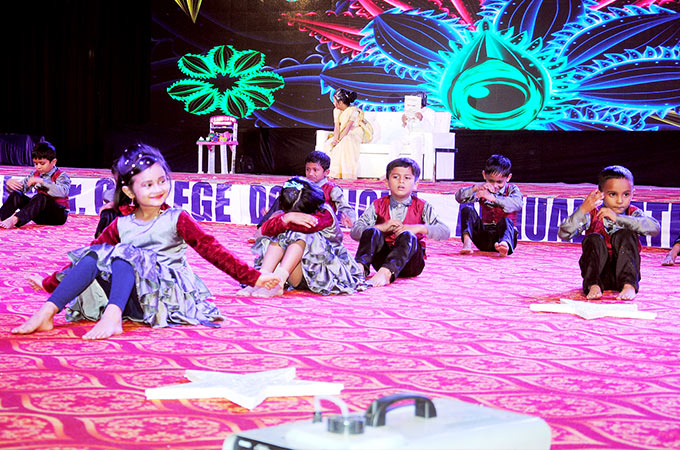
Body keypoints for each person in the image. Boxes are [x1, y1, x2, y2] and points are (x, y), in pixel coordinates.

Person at [12, 144, 280, 340]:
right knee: (97, 254)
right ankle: (47, 313)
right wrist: (49, 283)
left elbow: (214, 251)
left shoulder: (177, 218)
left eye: (162, 181)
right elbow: (87, 259)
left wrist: (254, 278)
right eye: (148, 185)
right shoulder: (122, 223)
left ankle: (113, 316)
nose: (158, 189)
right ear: (129, 191)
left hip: (165, 298)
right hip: (133, 298)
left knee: (124, 253)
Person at [243, 176, 368, 297]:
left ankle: (279, 282)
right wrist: (286, 218)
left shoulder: (325, 212)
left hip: (325, 272)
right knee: (280, 232)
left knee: (299, 233)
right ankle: (262, 278)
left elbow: (303, 229)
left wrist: (286, 220)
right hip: (297, 271)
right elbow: (264, 231)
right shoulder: (288, 213)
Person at [558, 165, 660, 300]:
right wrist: (582, 210)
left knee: (626, 234)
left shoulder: (632, 213)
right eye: (613, 194)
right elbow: (564, 234)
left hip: (625, 273)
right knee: (593, 238)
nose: (620, 201)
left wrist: (618, 219)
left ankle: (629, 285)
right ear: (601, 193)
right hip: (598, 274)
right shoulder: (593, 213)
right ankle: (593, 285)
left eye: (626, 194)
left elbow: (654, 228)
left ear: (633, 193)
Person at [350, 158, 450, 287]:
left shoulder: (422, 206)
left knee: (408, 235)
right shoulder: (378, 205)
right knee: (372, 230)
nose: (401, 181)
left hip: (411, 263)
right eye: (396, 177)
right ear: (387, 182)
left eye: (407, 178)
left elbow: (445, 231)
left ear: (416, 183)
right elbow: (354, 232)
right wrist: (382, 227)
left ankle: (386, 273)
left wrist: (417, 228)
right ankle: (360, 268)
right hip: (382, 260)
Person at [256, 151, 356, 229]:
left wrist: (349, 218)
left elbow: (345, 207)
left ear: (326, 172)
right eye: (308, 169)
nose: (310, 173)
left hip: (320, 226)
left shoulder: (332, 189)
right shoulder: (302, 185)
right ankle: (263, 228)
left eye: (315, 170)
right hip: (300, 221)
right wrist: (275, 213)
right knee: (282, 200)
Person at [455, 154, 522, 257]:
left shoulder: (512, 189)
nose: (495, 185)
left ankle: (504, 246)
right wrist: (474, 188)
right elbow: (459, 198)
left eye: (499, 182)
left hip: (505, 236)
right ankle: (467, 243)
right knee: (467, 210)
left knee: (506, 221)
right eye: (491, 181)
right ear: (484, 175)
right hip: (484, 238)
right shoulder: (483, 189)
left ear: (508, 178)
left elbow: (517, 204)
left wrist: (493, 198)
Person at [0, 141, 71, 229]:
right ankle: (1, 218)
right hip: (39, 215)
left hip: (58, 216)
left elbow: (63, 192)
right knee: (17, 194)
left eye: (42, 163)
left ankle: (15, 219)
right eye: (36, 163)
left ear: (53, 162)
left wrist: (42, 181)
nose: (38, 167)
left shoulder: (61, 175)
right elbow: (21, 188)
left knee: (41, 197)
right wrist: (10, 185)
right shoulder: (35, 174)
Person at [322, 89, 373, 179]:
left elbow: (347, 128)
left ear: (341, 102)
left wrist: (339, 141)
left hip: (354, 132)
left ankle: (347, 174)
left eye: (335, 101)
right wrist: (335, 139)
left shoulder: (353, 111)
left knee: (345, 141)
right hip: (343, 132)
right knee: (329, 144)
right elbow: (337, 127)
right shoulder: (336, 111)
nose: (333, 103)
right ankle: (334, 173)